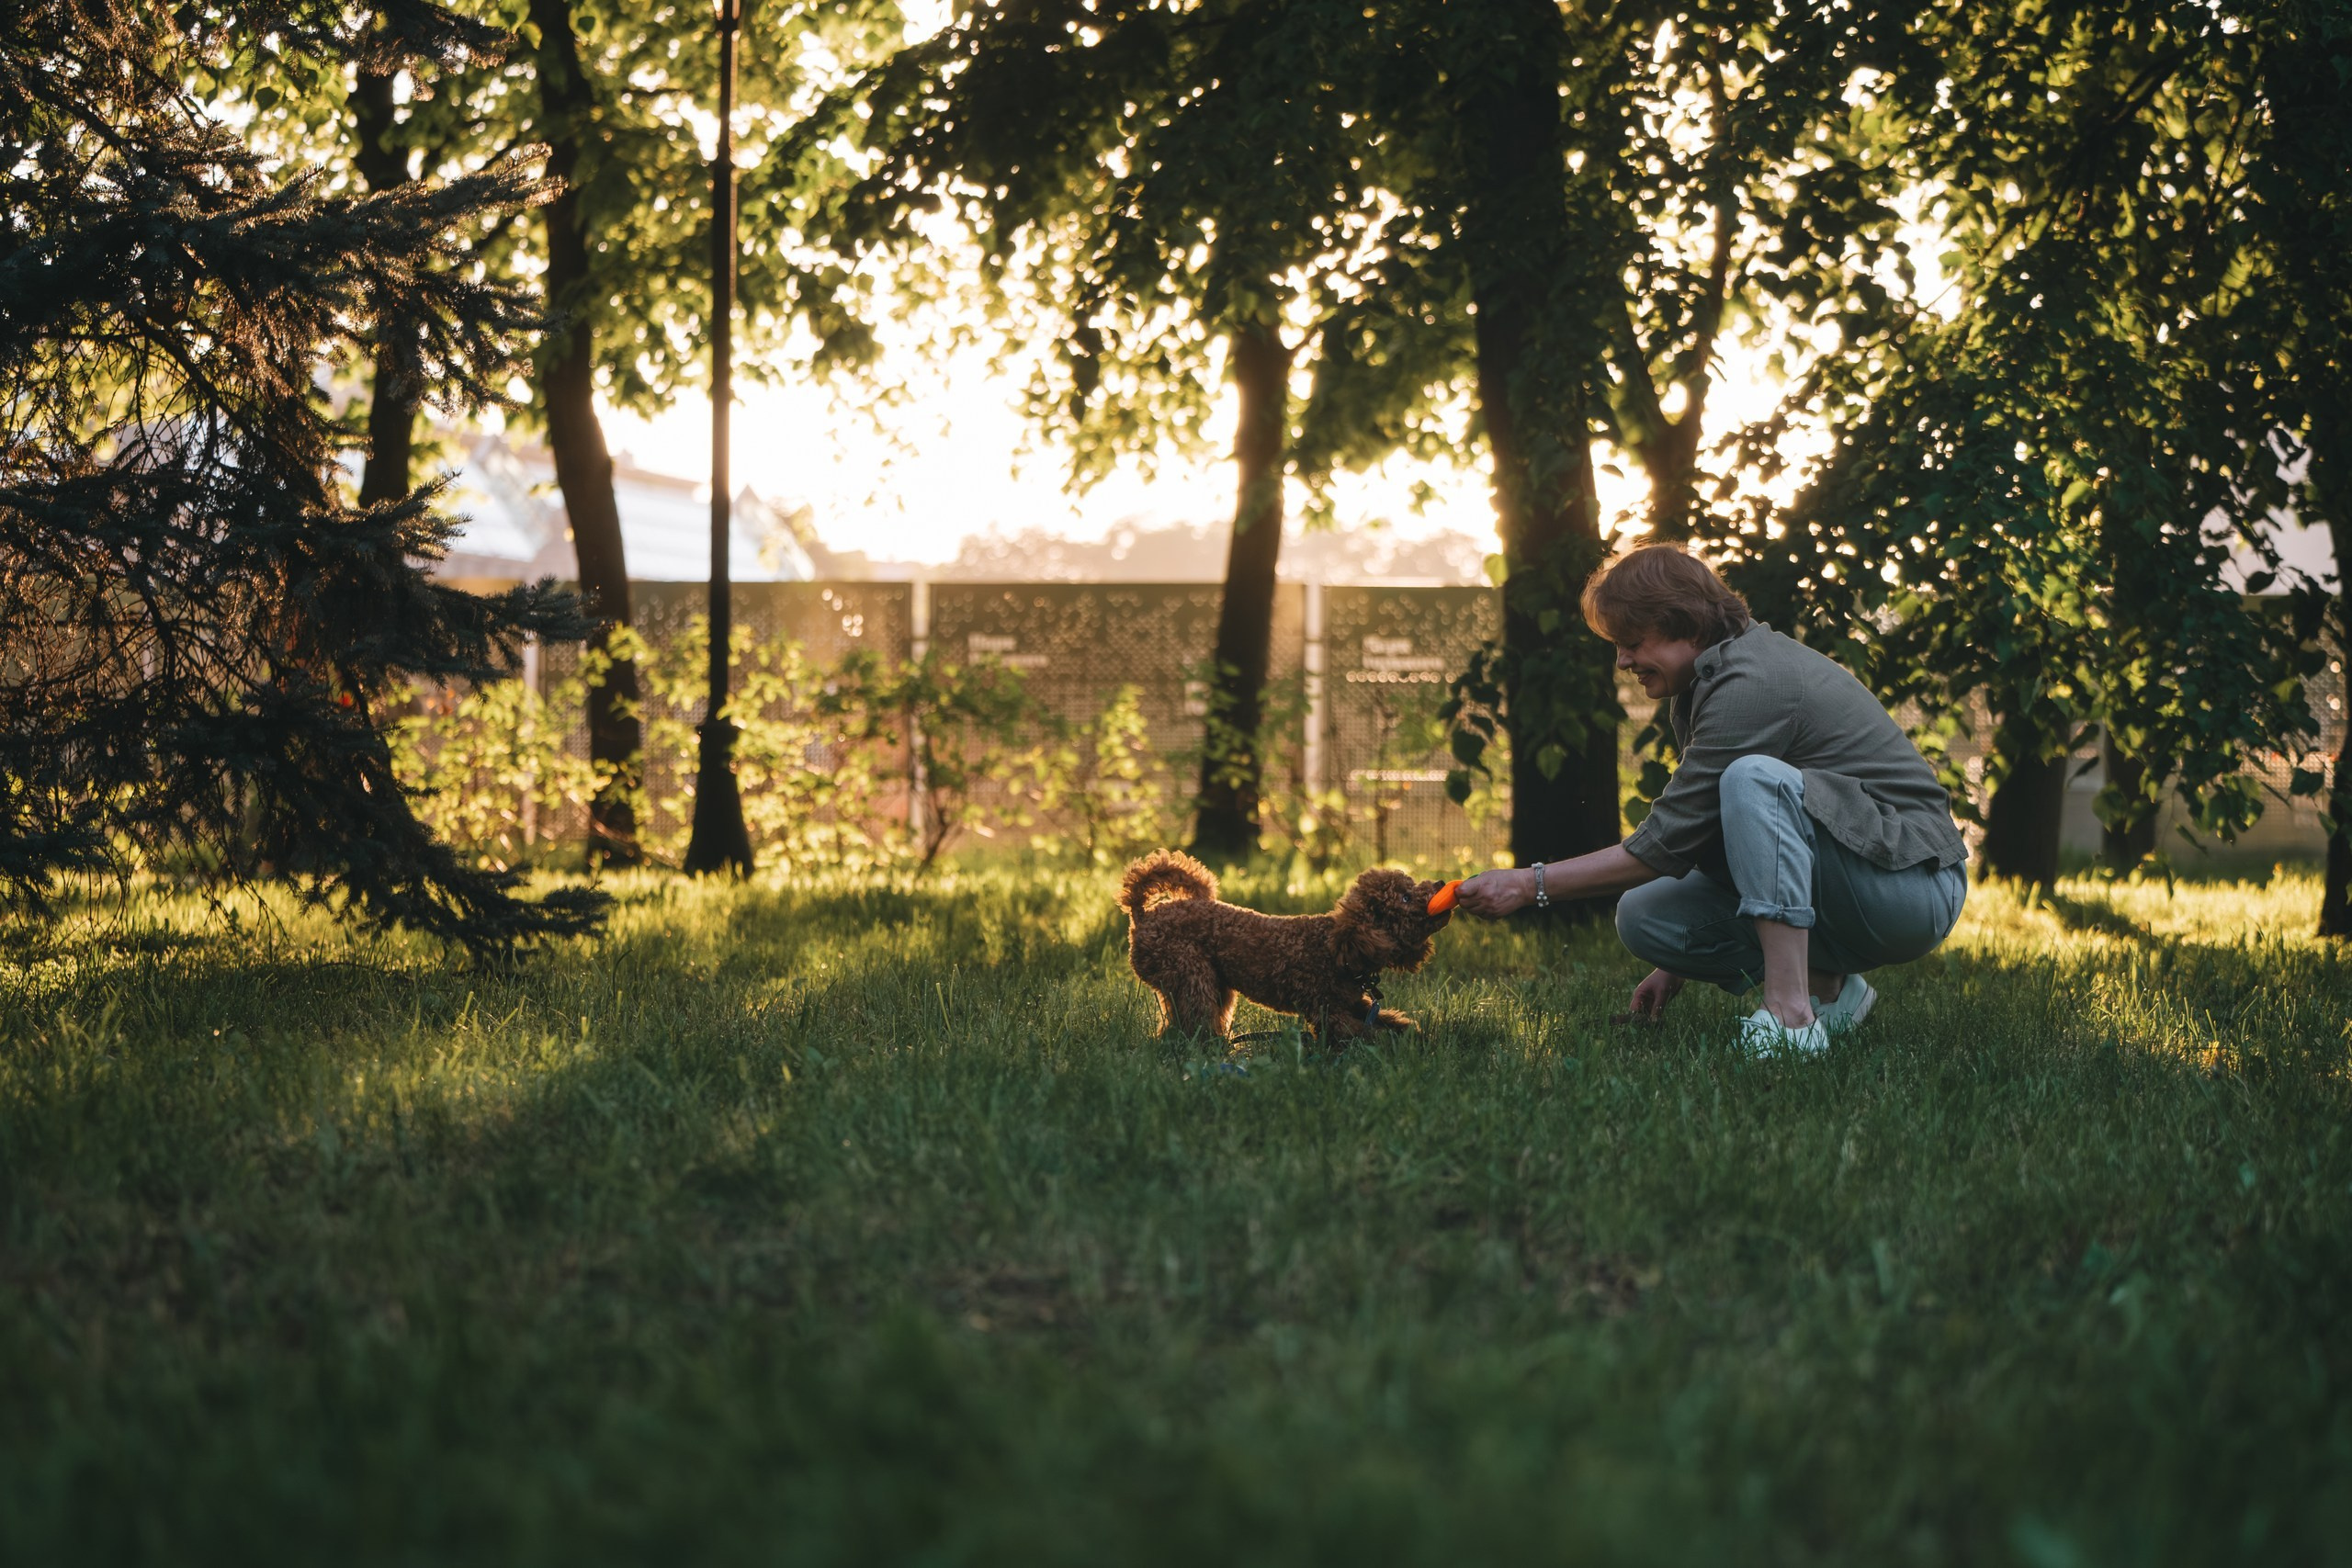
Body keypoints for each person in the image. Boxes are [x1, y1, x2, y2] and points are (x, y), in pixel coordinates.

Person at [1452, 545, 1969, 1055]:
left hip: (1914, 889)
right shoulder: (1713, 676)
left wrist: (1527, 885)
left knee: (1752, 779)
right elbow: (1710, 835)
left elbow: (1666, 842)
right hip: (1858, 878)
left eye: (1632, 641)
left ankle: (1790, 1017)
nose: (1622, 660)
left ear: (1690, 627)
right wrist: (1673, 966)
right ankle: (1829, 988)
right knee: (1645, 917)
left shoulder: (1752, 681)